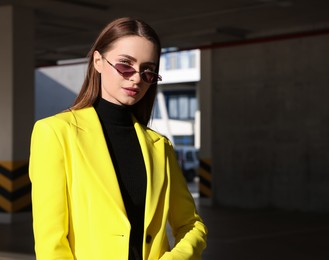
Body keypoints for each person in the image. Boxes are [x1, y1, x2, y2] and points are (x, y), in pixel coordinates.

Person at [29, 17, 207, 260]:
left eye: (147, 71)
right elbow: (51, 243)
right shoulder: (56, 133)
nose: (135, 78)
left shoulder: (159, 146)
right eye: (125, 65)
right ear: (98, 61)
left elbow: (192, 226)